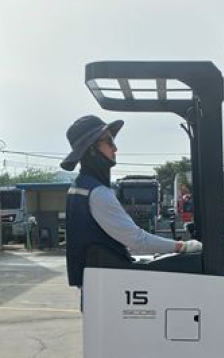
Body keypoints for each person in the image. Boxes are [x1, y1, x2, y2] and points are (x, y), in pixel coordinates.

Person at [61, 115, 202, 287]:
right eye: (109, 142)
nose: (115, 148)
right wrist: (182, 247)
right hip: (108, 284)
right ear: (91, 149)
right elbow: (137, 240)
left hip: (97, 280)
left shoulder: (80, 187)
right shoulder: (97, 193)